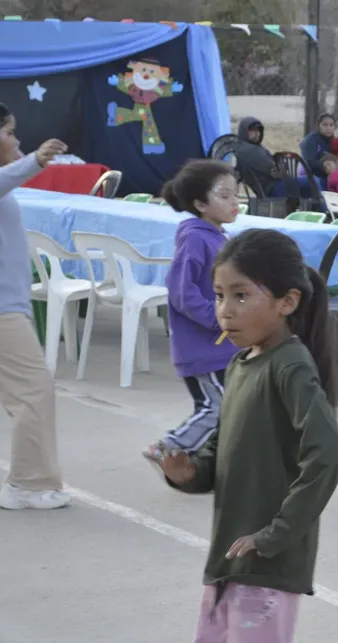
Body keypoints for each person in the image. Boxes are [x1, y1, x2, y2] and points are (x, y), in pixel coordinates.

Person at [160, 228, 338, 643]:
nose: (225, 310)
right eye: (220, 295)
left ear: (287, 302)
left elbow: (327, 450)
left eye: (241, 296)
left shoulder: (290, 366)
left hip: (267, 564)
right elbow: (224, 449)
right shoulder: (242, 364)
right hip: (231, 558)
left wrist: (278, 533)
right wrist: (190, 473)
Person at [0, 99, 70, 510]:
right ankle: (28, 485)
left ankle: (29, 482)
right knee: (33, 389)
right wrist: (34, 161)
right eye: (9, 133)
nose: (17, 140)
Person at [142, 160, 240, 465]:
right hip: (202, 346)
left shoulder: (217, 235)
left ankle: (211, 464)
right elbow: (181, 289)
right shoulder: (196, 237)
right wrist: (217, 316)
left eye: (236, 194)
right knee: (218, 407)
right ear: (199, 203)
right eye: (224, 196)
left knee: (233, 407)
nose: (234, 203)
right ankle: (168, 446)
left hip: (223, 345)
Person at [233, 117, 280, 196]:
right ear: (244, 132)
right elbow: (273, 168)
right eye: (253, 130)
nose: (257, 133)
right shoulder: (250, 151)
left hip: (270, 188)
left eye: (258, 130)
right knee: (307, 182)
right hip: (272, 189)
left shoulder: (245, 147)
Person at [300, 113, 338, 183]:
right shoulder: (311, 139)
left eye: (331, 125)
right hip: (311, 177)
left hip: (329, 176)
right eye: (325, 125)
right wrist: (328, 167)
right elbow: (310, 162)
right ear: (318, 126)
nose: (328, 128)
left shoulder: (335, 142)